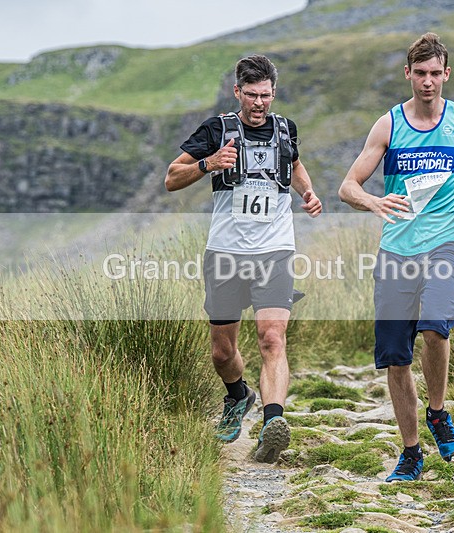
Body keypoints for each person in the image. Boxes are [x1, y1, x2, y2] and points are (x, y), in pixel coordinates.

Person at [338, 33, 454, 482]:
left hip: (446, 243)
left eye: (436, 73)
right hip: (396, 251)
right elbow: (347, 186)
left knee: (434, 328)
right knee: (395, 358)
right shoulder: (388, 125)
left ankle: (438, 413)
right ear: (407, 74)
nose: (428, 82)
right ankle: (411, 454)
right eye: (420, 73)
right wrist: (373, 203)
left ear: (446, 74)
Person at [165, 54, 322, 463]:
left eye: (265, 95)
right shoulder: (217, 129)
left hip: (275, 249)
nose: (259, 103)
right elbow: (171, 178)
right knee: (222, 352)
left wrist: (306, 192)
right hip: (226, 252)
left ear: (274, 93)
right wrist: (208, 163)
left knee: (272, 337)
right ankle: (238, 395)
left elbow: (296, 164)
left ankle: (273, 423)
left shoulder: (285, 129)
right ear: (237, 92)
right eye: (251, 95)